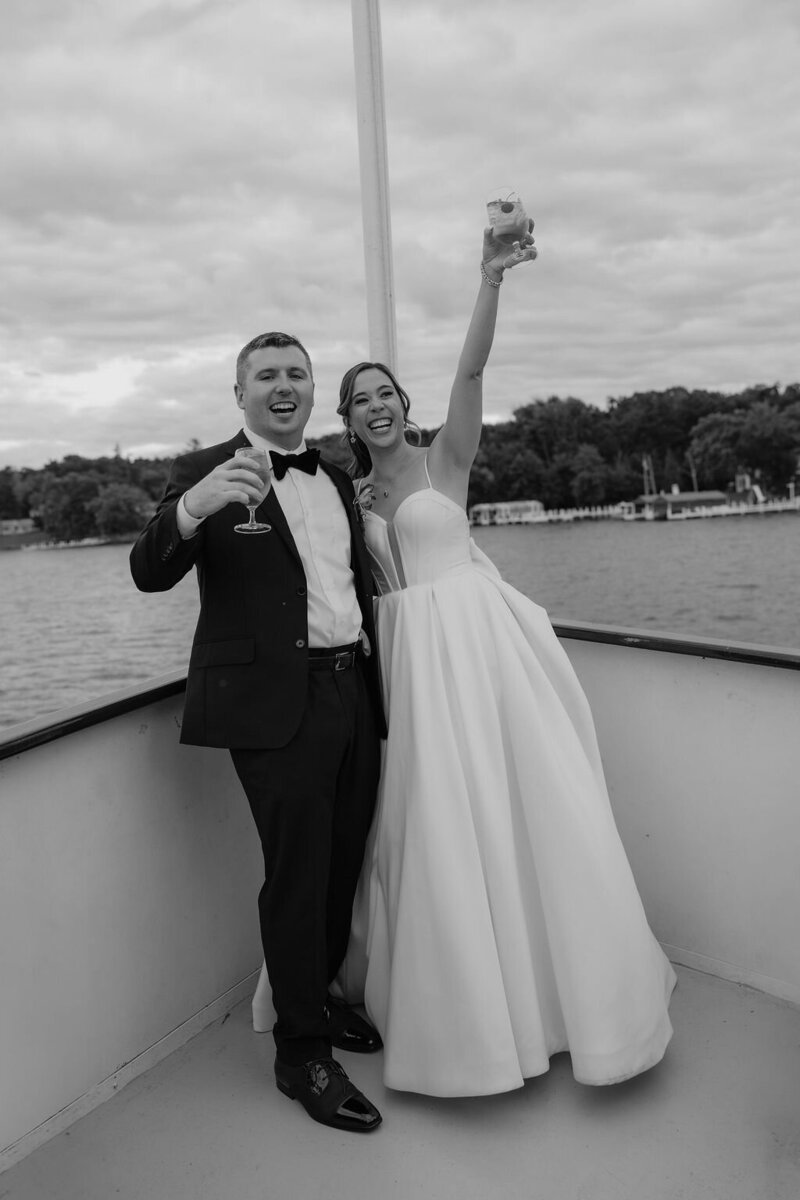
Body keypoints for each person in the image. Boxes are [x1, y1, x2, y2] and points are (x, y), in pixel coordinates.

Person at [335, 225, 677, 1097]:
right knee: (431, 821)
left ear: (400, 403)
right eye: (360, 399)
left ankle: (559, 1004)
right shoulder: (353, 495)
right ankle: (465, 1014)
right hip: (408, 668)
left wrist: (490, 279)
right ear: (346, 420)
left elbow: (473, 373)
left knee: (514, 808)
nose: (376, 405)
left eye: (386, 392)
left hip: (475, 654)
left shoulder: (444, 459)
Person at [130, 331, 387, 1133]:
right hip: (276, 706)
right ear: (238, 393)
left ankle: (321, 1001)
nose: (284, 387)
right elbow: (148, 570)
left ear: (313, 390)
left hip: (353, 689)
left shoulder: (337, 473)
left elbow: (351, 582)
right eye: (266, 376)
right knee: (297, 875)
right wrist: (195, 504)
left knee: (344, 856)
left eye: (297, 375)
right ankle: (300, 1053)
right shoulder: (208, 469)